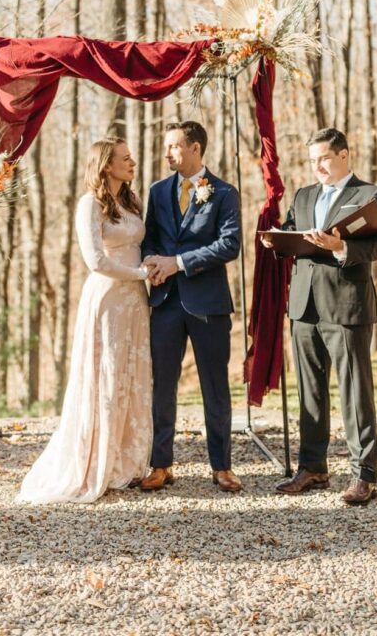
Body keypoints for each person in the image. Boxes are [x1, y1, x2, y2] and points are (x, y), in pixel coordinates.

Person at [17, 138, 152, 504]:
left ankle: (125, 461)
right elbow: (96, 260)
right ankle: (96, 462)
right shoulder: (89, 205)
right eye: (125, 158)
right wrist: (140, 274)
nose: (132, 162)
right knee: (105, 376)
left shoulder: (131, 201)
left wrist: (147, 273)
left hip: (136, 302)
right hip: (107, 298)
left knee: (130, 375)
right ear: (106, 165)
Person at [263, 127, 377, 506]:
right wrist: (276, 240)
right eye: (312, 160)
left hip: (347, 306)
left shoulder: (368, 196)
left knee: (355, 392)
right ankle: (313, 466)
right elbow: (290, 233)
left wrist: (340, 246)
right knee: (310, 392)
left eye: (323, 158)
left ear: (344, 155)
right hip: (304, 307)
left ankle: (363, 474)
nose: (317, 166)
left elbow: (376, 247)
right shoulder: (303, 196)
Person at [141, 121, 242, 493]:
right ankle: (160, 463)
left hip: (208, 304)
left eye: (173, 146)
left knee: (214, 386)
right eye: (166, 147)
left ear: (195, 148)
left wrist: (178, 262)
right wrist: (152, 262)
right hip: (165, 302)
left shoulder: (224, 193)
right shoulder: (156, 191)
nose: (167, 153)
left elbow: (229, 245)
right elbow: (149, 237)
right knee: (162, 386)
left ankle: (222, 466)